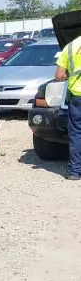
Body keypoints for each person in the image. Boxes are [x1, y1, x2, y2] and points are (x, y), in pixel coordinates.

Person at [55, 32, 81, 180]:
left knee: (77, 133)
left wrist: (69, 75)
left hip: (77, 96)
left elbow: (59, 76)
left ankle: (75, 172)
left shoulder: (70, 47)